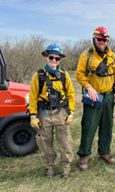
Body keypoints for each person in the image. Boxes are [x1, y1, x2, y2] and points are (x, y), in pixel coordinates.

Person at [76, 26, 115, 169]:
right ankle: (84, 155)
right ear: (94, 39)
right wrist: (89, 87)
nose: (102, 42)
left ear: (108, 40)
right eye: (99, 39)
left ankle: (104, 152)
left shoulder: (113, 57)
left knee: (107, 125)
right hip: (93, 97)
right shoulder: (87, 55)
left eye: (105, 39)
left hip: (109, 96)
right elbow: (80, 74)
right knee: (89, 125)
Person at [29, 43, 75, 178]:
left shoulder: (64, 75)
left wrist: (71, 112)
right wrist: (33, 115)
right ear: (46, 58)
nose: (54, 61)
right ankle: (50, 167)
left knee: (65, 141)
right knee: (45, 142)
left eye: (57, 58)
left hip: (61, 112)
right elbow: (32, 97)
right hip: (44, 113)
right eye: (51, 58)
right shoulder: (38, 76)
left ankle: (66, 168)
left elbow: (71, 94)